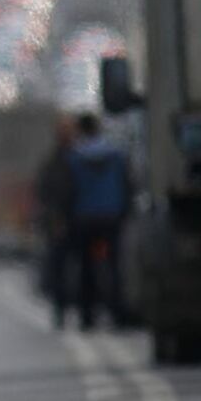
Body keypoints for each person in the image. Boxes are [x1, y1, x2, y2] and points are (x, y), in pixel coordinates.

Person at [68, 113, 132, 330]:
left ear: (80, 130)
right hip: (111, 216)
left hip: (84, 217)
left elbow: (68, 189)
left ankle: (87, 316)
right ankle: (117, 313)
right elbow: (127, 184)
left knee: (86, 267)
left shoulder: (74, 157)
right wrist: (124, 211)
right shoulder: (116, 155)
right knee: (114, 266)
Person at [36, 114, 77, 329]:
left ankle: (70, 311)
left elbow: (44, 192)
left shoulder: (62, 160)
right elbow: (45, 192)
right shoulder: (67, 159)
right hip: (65, 222)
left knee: (65, 267)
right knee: (61, 268)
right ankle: (64, 311)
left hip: (72, 222)